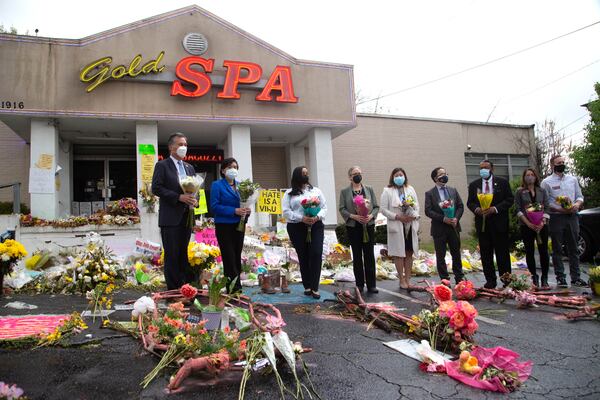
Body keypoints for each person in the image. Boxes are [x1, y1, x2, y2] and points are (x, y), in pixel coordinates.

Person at [151, 132, 197, 290]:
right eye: (180, 144)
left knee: (183, 254)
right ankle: (173, 290)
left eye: (185, 145)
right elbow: (156, 188)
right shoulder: (162, 165)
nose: (183, 147)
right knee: (171, 254)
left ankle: (184, 288)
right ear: (171, 147)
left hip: (186, 217)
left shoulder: (189, 167)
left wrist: (194, 201)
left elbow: (193, 190)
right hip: (170, 218)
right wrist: (178, 197)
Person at [467, 159, 514, 289]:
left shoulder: (502, 183)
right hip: (483, 224)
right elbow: (470, 202)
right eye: (481, 168)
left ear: (492, 169)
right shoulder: (474, 185)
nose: (483, 170)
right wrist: (477, 210)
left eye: (486, 167)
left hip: (499, 223)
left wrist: (495, 209)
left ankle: (506, 280)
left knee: (502, 253)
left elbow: (509, 199)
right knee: (486, 253)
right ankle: (490, 280)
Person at [541, 155, 586, 288]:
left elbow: (579, 196)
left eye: (563, 162)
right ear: (552, 165)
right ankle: (560, 277)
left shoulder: (572, 179)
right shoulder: (546, 182)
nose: (561, 164)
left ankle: (576, 277)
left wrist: (577, 205)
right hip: (556, 218)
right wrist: (559, 209)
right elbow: (546, 201)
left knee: (574, 248)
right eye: (558, 163)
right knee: (557, 249)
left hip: (572, 216)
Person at [282, 166, 327, 299]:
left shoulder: (316, 191)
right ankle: (307, 285)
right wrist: (302, 218)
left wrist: (316, 217)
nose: (306, 176)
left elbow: (324, 207)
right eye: (303, 173)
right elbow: (286, 212)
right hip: (297, 227)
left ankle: (315, 286)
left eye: (307, 173)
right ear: (297, 176)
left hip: (316, 225)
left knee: (316, 252)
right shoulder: (289, 193)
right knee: (303, 255)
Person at [210, 157, 250, 293]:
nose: (233, 169)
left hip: (239, 225)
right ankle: (233, 288)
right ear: (223, 170)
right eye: (229, 167)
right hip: (224, 225)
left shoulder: (242, 186)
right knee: (229, 256)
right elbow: (214, 206)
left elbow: (244, 203)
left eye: (235, 167)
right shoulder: (217, 185)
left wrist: (246, 211)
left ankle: (236, 285)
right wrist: (234, 211)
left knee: (237, 255)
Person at [338, 166, 380, 293]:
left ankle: (372, 284)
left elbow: (376, 207)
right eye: (355, 174)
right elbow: (342, 208)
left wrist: (371, 216)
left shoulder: (369, 189)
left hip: (368, 225)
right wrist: (354, 216)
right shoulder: (345, 191)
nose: (357, 175)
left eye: (359, 173)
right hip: (354, 227)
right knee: (357, 255)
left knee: (369, 255)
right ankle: (360, 284)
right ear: (350, 177)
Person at [380, 167, 419, 290]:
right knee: (398, 254)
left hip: (410, 224)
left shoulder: (410, 189)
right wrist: (397, 216)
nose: (399, 177)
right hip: (397, 224)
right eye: (396, 175)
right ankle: (401, 279)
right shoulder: (387, 191)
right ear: (392, 177)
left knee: (408, 252)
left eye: (401, 175)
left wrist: (414, 215)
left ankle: (408, 279)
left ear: (405, 176)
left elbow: (416, 205)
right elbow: (383, 209)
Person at [424, 167, 465, 284]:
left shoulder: (453, 190)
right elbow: (428, 211)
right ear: (435, 178)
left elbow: (460, 206)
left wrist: (456, 217)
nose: (444, 176)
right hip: (439, 228)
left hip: (454, 226)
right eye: (441, 174)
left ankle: (459, 278)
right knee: (440, 256)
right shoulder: (430, 193)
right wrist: (443, 218)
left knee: (456, 253)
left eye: (445, 173)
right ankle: (445, 280)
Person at [515, 168, 551, 289]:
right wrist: (528, 223)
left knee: (543, 251)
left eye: (532, 175)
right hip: (527, 226)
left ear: (535, 177)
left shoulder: (542, 191)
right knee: (529, 251)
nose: (530, 177)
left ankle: (544, 278)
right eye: (527, 175)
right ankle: (534, 277)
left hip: (541, 226)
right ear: (524, 178)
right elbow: (519, 209)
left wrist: (542, 222)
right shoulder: (520, 192)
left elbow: (546, 207)